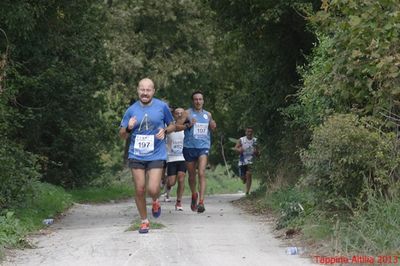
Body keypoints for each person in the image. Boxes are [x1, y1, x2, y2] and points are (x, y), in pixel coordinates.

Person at [119, 78, 175, 234]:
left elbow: (172, 124)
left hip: (156, 153)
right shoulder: (131, 110)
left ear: (153, 91)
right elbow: (122, 135)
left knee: (152, 188)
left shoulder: (162, 106)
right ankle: (144, 221)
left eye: (148, 90)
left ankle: (156, 200)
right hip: (136, 154)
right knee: (139, 189)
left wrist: (165, 130)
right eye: (142, 89)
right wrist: (129, 128)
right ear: (138, 90)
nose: (145, 93)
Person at [180, 91, 217, 213]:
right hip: (189, 147)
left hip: (203, 147)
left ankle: (201, 202)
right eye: (196, 99)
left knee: (201, 172)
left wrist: (213, 127)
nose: (198, 101)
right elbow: (177, 125)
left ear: (203, 101)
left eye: (200, 99)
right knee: (191, 176)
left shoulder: (208, 115)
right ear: (193, 101)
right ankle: (194, 194)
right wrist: (189, 125)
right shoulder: (187, 113)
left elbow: (212, 129)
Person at [164, 107, 187, 210]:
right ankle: (167, 188)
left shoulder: (186, 126)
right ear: (173, 114)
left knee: (181, 178)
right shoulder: (169, 125)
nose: (179, 115)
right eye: (177, 113)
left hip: (182, 157)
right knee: (172, 182)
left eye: (181, 113)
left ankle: (178, 202)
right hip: (171, 158)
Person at [234, 127, 258, 195]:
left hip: (252, 161)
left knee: (249, 174)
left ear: (253, 132)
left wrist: (256, 152)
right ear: (246, 132)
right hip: (242, 161)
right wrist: (239, 150)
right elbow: (235, 148)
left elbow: (259, 151)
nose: (249, 133)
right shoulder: (241, 140)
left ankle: (247, 192)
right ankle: (244, 179)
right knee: (243, 178)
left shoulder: (255, 140)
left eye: (251, 132)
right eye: (248, 131)